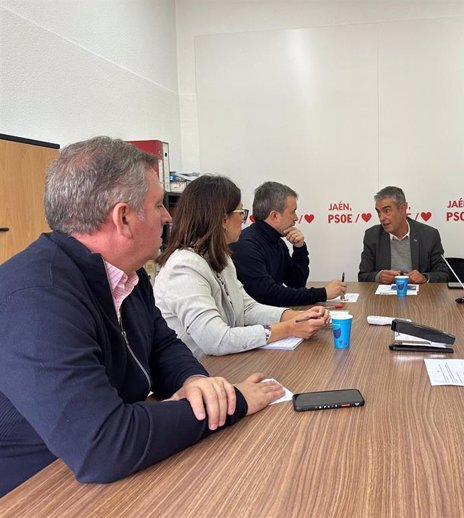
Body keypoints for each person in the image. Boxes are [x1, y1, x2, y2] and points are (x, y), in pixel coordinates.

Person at [0, 137, 284, 496]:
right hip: (34, 490)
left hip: (94, 472)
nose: (168, 216)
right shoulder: (35, 298)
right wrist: (234, 402)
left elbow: (162, 344)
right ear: (123, 218)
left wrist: (196, 381)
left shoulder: (128, 275)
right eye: (157, 205)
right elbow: (103, 444)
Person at [154, 175, 329, 358]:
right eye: (240, 213)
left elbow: (246, 308)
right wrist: (289, 328)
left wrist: (297, 316)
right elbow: (217, 340)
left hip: (220, 365)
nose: (243, 220)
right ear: (223, 219)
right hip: (195, 374)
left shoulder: (222, 258)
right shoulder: (184, 268)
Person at [231, 181, 347, 306]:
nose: (296, 218)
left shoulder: (278, 242)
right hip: (256, 323)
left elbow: (296, 283)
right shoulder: (245, 245)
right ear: (275, 216)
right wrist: (323, 293)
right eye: (293, 211)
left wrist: (299, 248)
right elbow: (268, 295)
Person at [358, 186, 449, 284]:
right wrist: (378, 276)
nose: (381, 217)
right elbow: (363, 275)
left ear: (403, 208)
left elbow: (443, 274)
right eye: (378, 212)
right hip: (384, 297)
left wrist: (425, 277)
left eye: (386, 211)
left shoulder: (429, 235)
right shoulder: (372, 236)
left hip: (421, 296)